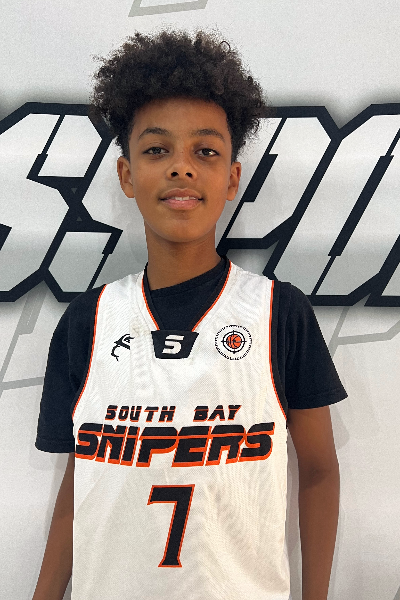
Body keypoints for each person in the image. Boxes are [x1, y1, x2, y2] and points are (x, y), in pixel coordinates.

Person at [33, 30, 347, 600]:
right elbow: (82, 481)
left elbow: (320, 471)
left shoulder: (279, 312)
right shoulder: (88, 321)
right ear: (127, 176)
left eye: (205, 151)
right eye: (157, 150)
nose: (182, 168)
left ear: (232, 179)